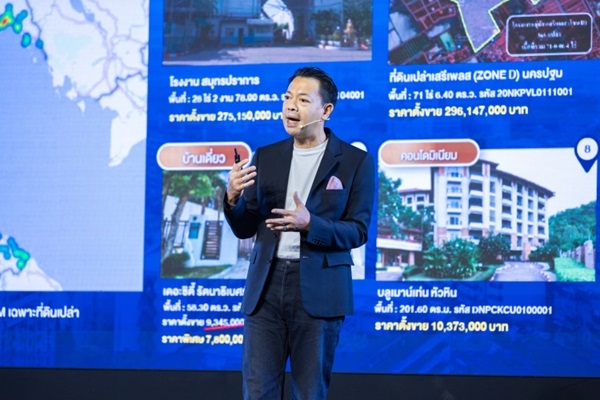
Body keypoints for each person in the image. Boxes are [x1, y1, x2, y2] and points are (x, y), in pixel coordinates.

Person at [224, 66, 375, 400]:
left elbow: (358, 231)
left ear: (326, 110)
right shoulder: (266, 156)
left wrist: (311, 225)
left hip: (320, 289)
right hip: (265, 288)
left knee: (309, 392)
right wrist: (232, 198)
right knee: (257, 391)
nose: (290, 106)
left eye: (303, 100)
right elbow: (246, 227)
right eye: (287, 97)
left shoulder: (355, 162)